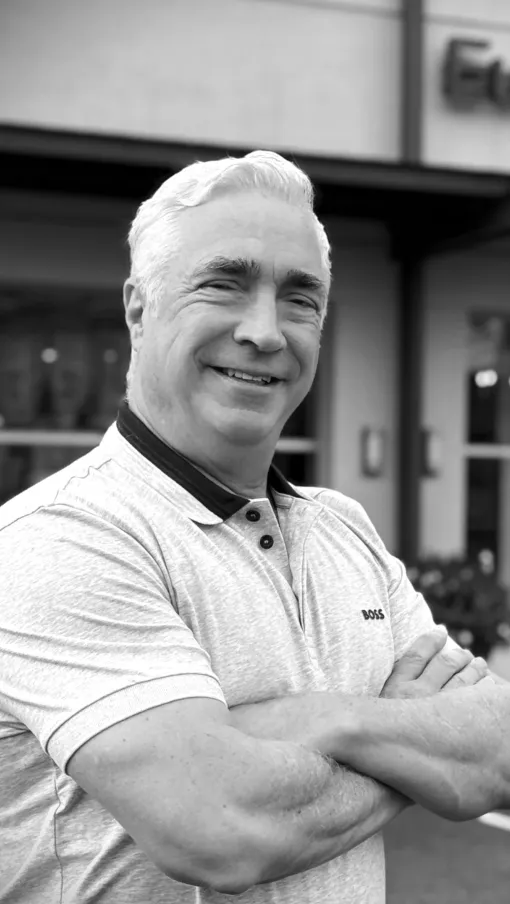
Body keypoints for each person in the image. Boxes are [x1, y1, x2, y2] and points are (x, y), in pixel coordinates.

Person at [0, 151, 509, 904]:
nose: (266, 332)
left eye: (299, 298)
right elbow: (224, 829)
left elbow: (494, 753)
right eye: (224, 283)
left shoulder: (345, 529)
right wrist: (406, 732)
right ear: (139, 308)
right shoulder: (58, 540)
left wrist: (322, 721)